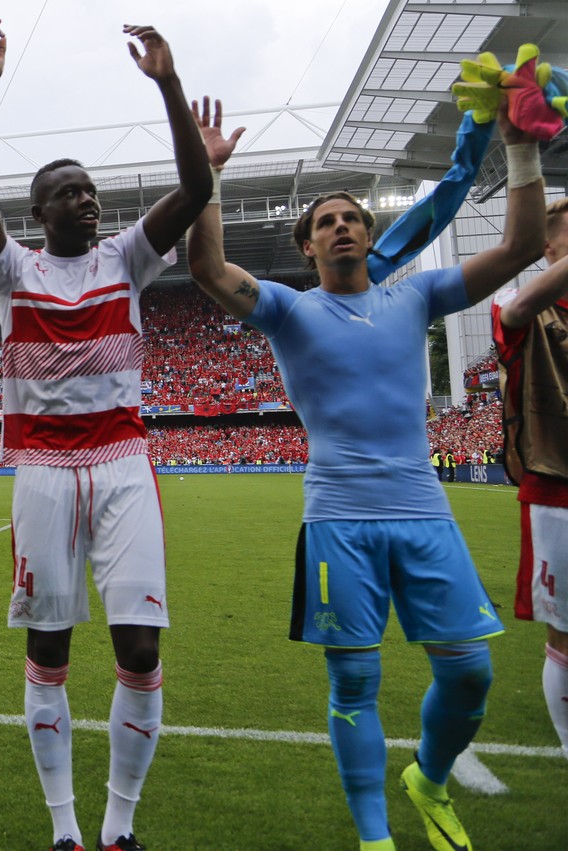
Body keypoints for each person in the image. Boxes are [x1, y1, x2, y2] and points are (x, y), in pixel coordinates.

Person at [187, 95, 543, 851]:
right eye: (325, 221)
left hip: (423, 511)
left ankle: (428, 776)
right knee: (354, 685)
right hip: (339, 517)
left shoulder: (417, 294)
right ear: (308, 246)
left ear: (371, 234)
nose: (341, 224)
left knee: (471, 674)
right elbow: (208, 267)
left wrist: (520, 149)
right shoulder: (287, 309)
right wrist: (207, 176)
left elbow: (518, 248)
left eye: (352, 217)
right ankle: (374, 838)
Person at [0, 21, 212, 851]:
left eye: (92, 188)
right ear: (39, 211)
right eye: (69, 191)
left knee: (139, 646)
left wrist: (169, 86)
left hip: (123, 463)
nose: (87, 198)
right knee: (49, 644)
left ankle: (117, 828)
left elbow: (197, 188)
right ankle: (65, 830)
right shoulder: (14, 272)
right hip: (42, 470)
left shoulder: (126, 259)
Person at [492, 197, 568, 761]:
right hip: (557, 488)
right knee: (565, 634)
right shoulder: (526, 308)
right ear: (547, 246)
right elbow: (515, 313)